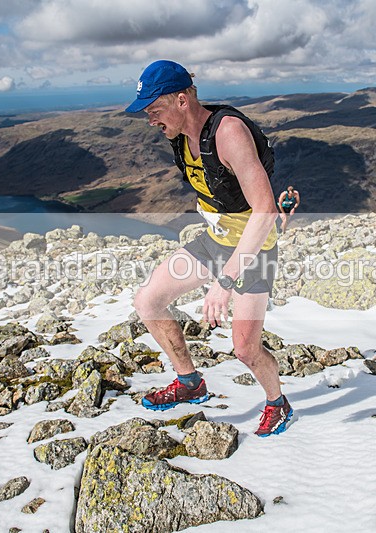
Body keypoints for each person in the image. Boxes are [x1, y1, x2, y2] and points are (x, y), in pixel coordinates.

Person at [126, 60, 293, 437]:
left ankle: (277, 403)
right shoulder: (180, 136)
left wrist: (226, 280)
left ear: (182, 100)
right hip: (215, 240)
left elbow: (265, 211)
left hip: (254, 249)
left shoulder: (229, 133)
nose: (150, 120)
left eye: (154, 109)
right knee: (148, 301)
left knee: (245, 349)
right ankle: (189, 382)